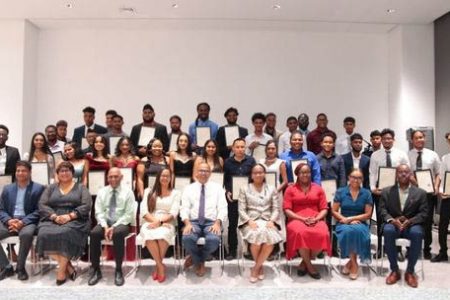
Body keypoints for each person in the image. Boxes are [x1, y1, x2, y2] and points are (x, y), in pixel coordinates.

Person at [36, 161, 92, 285]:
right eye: (62, 171)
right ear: (57, 174)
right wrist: (54, 216)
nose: (65, 173)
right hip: (53, 218)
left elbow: (86, 205)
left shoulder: (81, 187)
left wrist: (70, 216)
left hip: (77, 219)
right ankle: (68, 267)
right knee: (43, 234)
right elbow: (42, 204)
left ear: (73, 173)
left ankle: (61, 272)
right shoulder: (50, 188)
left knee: (65, 233)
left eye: (67, 170)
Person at [379, 164, 428, 288]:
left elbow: (424, 213)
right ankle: (394, 270)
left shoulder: (420, 193)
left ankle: (410, 272)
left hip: (411, 225)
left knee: (417, 233)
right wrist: (392, 220)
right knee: (388, 230)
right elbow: (382, 210)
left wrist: (410, 221)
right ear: (396, 174)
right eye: (400, 172)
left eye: (406, 172)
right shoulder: (386, 191)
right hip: (393, 224)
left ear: (410, 174)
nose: (403, 174)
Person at [88, 168, 136, 286]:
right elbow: (98, 212)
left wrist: (113, 227)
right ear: (107, 178)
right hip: (105, 223)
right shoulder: (102, 192)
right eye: (111, 177)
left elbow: (129, 214)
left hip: (121, 223)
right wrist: (105, 226)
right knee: (94, 233)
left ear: (121, 177)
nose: (113, 179)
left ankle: (118, 270)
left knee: (118, 233)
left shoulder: (128, 192)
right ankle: (96, 270)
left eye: (116, 176)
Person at [283, 163, 331, 280]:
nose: (305, 175)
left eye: (308, 172)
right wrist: (302, 219)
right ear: (297, 175)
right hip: (296, 219)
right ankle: (310, 267)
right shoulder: (290, 189)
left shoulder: (318, 188)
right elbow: (287, 209)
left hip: (316, 218)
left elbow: (324, 208)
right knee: (301, 233)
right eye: (302, 172)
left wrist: (317, 218)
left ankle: (304, 263)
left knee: (323, 233)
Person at [0, 161, 45, 280]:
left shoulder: (38, 188)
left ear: (29, 172)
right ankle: (6, 266)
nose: (20, 173)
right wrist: (9, 220)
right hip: (10, 221)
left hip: (28, 221)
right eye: (18, 170)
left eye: (23, 170)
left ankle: (20, 268)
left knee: (26, 235)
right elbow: (1, 209)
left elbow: (39, 210)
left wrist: (22, 222)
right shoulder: (7, 189)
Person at [180, 162, 227, 277]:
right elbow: (184, 208)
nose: (203, 173)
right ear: (196, 173)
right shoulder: (188, 188)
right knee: (187, 238)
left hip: (211, 222)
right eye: (201, 170)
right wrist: (187, 223)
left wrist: (217, 223)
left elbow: (222, 207)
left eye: (206, 171)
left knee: (214, 240)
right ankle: (200, 261)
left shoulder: (218, 188)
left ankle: (195, 258)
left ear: (210, 173)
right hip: (193, 222)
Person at [238, 164, 283, 283]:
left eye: (260, 172)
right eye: (255, 173)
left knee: (270, 239)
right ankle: (260, 266)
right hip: (251, 221)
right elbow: (241, 209)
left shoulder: (272, 188)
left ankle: (256, 268)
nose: (258, 175)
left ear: (264, 174)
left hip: (268, 221)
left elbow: (276, 208)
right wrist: (249, 221)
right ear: (251, 175)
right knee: (256, 235)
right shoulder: (244, 188)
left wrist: (272, 220)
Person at [369, 128, 409, 257]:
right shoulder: (375, 155)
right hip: (380, 192)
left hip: (396, 193)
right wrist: (373, 188)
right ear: (381, 140)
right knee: (381, 221)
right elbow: (372, 173)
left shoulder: (401, 154)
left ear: (393, 139)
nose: (387, 140)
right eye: (384, 138)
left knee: (396, 220)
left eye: (389, 138)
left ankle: (397, 250)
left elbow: (406, 172)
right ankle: (381, 249)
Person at [139, 168, 180, 283]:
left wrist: (160, 222)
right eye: (162, 175)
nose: (165, 178)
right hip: (149, 221)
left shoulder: (176, 193)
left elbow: (174, 212)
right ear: (158, 177)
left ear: (171, 178)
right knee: (148, 235)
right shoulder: (149, 191)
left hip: (167, 222)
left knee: (163, 236)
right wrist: (156, 222)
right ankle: (160, 266)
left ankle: (158, 266)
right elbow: (143, 211)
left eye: (167, 176)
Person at [331, 169, 373, 280]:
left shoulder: (367, 193)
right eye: (353, 177)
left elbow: (368, 214)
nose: (356, 180)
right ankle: (354, 265)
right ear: (349, 178)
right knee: (349, 231)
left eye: (359, 178)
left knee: (357, 231)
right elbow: (334, 211)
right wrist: (346, 220)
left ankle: (350, 263)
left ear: (362, 180)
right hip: (343, 221)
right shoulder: (340, 191)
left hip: (360, 222)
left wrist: (351, 219)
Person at [408, 129, 441, 259]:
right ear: (412, 140)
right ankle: (411, 249)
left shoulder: (433, 155)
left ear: (425, 138)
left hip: (429, 193)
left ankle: (427, 250)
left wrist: (437, 186)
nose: (419, 140)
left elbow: (438, 173)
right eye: (416, 138)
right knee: (412, 221)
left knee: (427, 223)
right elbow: (406, 173)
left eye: (421, 137)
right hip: (412, 193)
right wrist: (416, 183)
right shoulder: (408, 155)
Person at [223, 138, 256, 260]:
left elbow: (254, 179)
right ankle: (232, 250)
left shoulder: (251, 161)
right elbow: (225, 180)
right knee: (232, 225)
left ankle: (250, 250)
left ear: (245, 147)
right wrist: (227, 191)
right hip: (233, 199)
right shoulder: (227, 162)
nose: (240, 149)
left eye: (242, 147)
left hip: (248, 199)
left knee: (249, 224)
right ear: (233, 148)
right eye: (237, 147)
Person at [433, 132, 450, 262]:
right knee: (443, 226)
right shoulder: (445, 158)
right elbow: (442, 176)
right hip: (447, 198)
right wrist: (440, 190)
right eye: (449, 141)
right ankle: (443, 252)